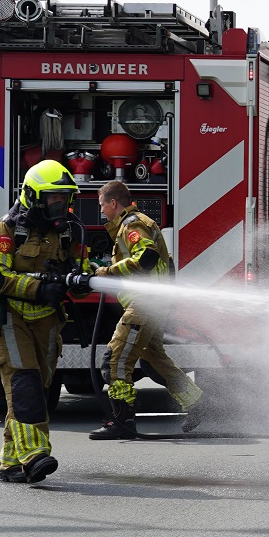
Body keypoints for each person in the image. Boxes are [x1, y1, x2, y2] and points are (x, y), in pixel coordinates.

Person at [0, 160, 84, 483]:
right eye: (54, 198)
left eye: (64, 199)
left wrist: (79, 281)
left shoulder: (68, 229)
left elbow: (75, 268)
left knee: (37, 387)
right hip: (9, 313)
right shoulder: (9, 227)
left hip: (47, 319)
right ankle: (34, 455)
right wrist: (40, 288)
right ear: (33, 196)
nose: (61, 205)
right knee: (23, 383)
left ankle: (10, 462)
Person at [88, 179, 203, 439]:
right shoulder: (136, 222)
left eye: (102, 205)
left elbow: (146, 257)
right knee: (154, 360)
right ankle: (197, 403)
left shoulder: (132, 225)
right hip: (153, 303)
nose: (102, 211)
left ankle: (122, 421)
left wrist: (106, 272)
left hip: (144, 303)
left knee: (116, 359)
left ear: (113, 203)